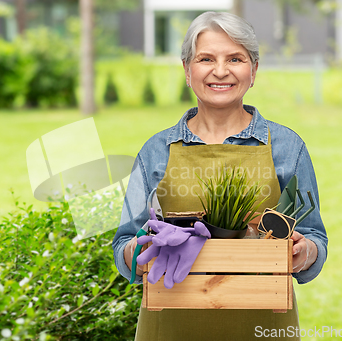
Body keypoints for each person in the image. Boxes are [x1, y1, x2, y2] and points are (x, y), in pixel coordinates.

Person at [112, 11, 328, 340]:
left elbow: (315, 238)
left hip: (263, 326)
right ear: (187, 70)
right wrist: (143, 252)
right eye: (206, 58)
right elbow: (124, 245)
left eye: (236, 58)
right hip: (170, 328)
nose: (221, 70)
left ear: (253, 71)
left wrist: (304, 251)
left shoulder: (287, 147)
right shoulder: (156, 151)